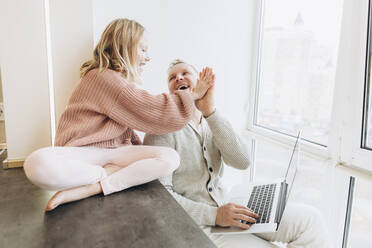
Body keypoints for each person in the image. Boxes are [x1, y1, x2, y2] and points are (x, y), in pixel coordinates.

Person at [23, 19, 215, 211]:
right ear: (125, 46)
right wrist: (193, 94)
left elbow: (145, 113)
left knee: (170, 157)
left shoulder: (119, 82)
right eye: (143, 50)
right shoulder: (101, 77)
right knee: (35, 163)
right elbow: (151, 107)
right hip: (84, 153)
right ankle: (107, 175)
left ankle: (96, 186)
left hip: (115, 153)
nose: (147, 58)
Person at [143, 59, 330, 248]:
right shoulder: (160, 129)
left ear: (199, 82)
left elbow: (242, 161)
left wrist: (210, 112)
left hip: (230, 204)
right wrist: (215, 215)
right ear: (169, 92)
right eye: (172, 77)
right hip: (201, 222)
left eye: (185, 73)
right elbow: (161, 197)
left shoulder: (212, 120)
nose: (179, 78)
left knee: (311, 222)